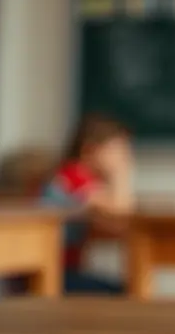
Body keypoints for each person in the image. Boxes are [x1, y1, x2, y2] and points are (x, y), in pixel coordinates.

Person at [41, 114, 134, 294]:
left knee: (123, 288)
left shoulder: (77, 176)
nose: (124, 157)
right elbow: (121, 211)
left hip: (58, 272)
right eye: (117, 151)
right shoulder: (74, 177)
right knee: (126, 292)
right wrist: (121, 173)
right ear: (89, 150)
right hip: (50, 276)